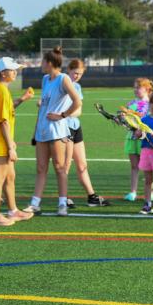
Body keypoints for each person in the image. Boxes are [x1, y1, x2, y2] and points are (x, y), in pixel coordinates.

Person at [23, 47, 82, 217]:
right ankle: (35, 204)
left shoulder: (63, 79)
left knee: (59, 168)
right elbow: (44, 107)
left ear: (49, 63)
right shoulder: (45, 79)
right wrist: (35, 130)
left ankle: (62, 203)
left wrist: (62, 115)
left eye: (43, 61)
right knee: (41, 168)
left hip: (57, 131)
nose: (41, 64)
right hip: (42, 131)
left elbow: (77, 101)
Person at [0, 56, 34, 226]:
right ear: (3, 73)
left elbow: (6, 110)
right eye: (12, 70)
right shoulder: (1, 90)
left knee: (10, 176)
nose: (15, 73)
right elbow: (3, 121)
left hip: (1, 140)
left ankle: (13, 210)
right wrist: (10, 146)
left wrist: (22, 99)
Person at [63, 58, 108, 207]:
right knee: (65, 166)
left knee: (82, 165)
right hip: (64, 128)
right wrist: (66, 114)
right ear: (68, 70)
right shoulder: (61, 83)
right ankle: (64, 197)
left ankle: (91, 196)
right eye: (75, 73)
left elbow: (79, 110)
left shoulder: (77, 87)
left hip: (75, 127)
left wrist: (68, 113)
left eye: (80, 74)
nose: (77, 76)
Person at [123, 78, 152, 201]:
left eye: (138, 87)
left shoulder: (151, 104)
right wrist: (123, 120)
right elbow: (126, 121)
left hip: (145, 138)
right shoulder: (130, 104)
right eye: (134, 87)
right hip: (132, 137)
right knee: (134, 166)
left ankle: (151, 192)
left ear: (147, 89)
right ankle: (133, 192)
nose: (135, 90)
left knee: (148, 167)